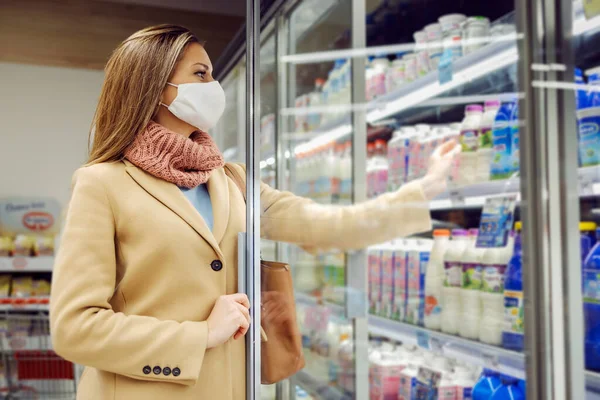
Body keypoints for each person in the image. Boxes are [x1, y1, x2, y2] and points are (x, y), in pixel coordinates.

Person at [49, 25, 460, 400]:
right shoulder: (101, 184)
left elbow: (328, 225)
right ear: (157, 87)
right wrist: (200, 336)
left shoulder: (232, 180)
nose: (214, 85)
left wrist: (424, 191)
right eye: (201, 74)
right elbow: (75, 327)